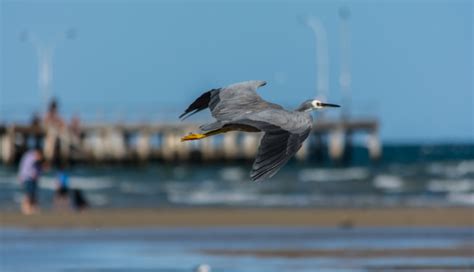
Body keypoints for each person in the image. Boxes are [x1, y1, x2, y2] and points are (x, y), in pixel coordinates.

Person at [18, 149, 43, 215]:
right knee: (28, 194)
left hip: (33, 179)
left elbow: (38, 170)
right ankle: (26, 209)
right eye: (39, 156)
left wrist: (38, 175)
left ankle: (33, 209)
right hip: (27, 178)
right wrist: (21, 178)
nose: (40, 158)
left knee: (33, 194)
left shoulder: (36, 160)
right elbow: (25, 169)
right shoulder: (29, 158)